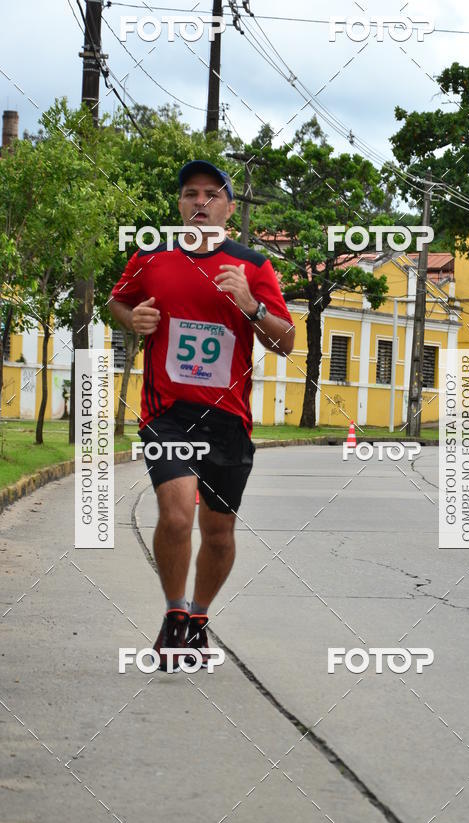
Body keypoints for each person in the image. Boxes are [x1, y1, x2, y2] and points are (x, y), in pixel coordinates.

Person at [108, 159, 295, 670]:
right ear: (179, 204)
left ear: (229, 209)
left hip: (228, 419)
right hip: (167, 412)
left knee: (218, 534)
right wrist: (134, 317)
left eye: (213, 195)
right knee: (176, 513)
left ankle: (198, 616)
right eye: (191, 194)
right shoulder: (152, 257)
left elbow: (286, 342)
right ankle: (174, 616)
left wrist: (250, 306)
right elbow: (119, 303)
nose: (200, 203)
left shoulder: (252, 266)